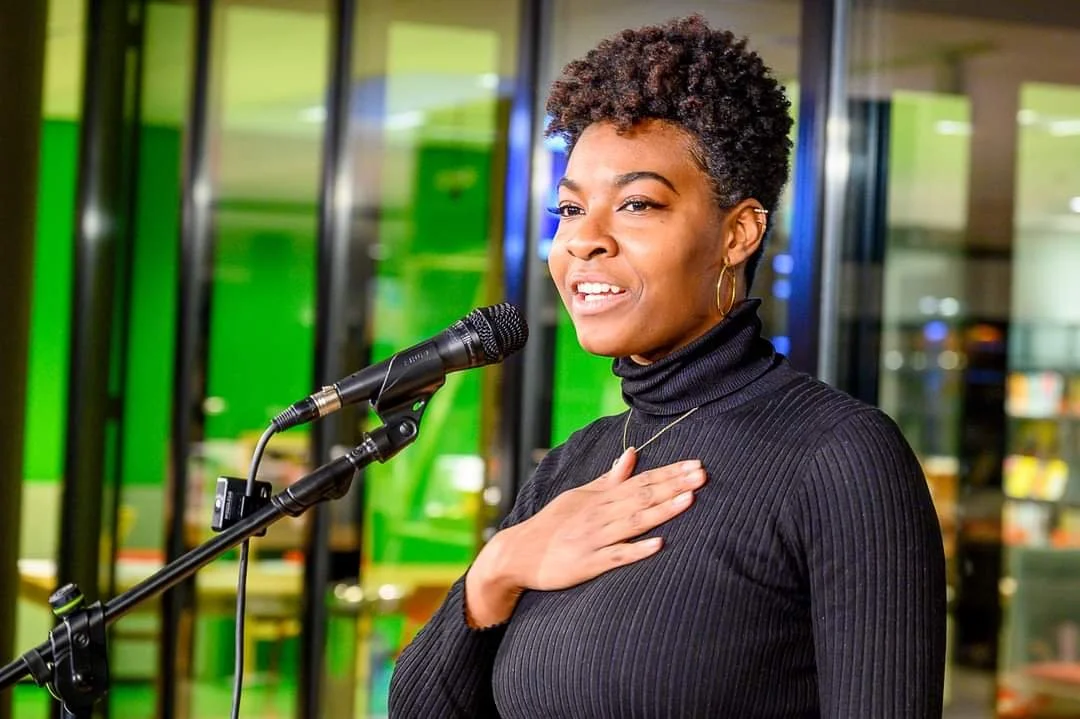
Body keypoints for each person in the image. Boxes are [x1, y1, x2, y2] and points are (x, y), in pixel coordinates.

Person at [388, 14, 946, 718]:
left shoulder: (840, 456)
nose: (584, 240)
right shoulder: (572, 466)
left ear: (738, 232)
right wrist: (497, 568)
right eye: (569, 207)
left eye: (637, 203)